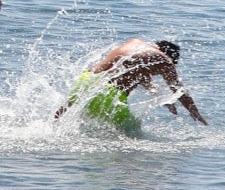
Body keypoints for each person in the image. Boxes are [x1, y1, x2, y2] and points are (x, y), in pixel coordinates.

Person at [55, 38, 206, 126]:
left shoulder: (135, 44)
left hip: (85, 80)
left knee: (72, 119)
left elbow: (139, 74)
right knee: (129, 133)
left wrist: (162, 98)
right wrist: (197, 115)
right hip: (107, 94)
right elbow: (179, 90)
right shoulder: (165, 61)